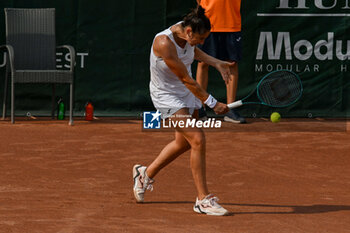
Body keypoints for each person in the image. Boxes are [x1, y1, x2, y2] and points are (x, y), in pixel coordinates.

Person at [133, 6, 236, 216]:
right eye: (200, 37)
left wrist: (216, 63)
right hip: (166, 96)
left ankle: (145, 173)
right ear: (189, 32)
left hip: (186, 94)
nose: (203, 42)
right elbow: (186, 79)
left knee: (183, 143)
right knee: (198, 139)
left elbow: (193, 51)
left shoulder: (187, 38)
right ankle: (202, 200)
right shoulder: (163, 43)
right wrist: (213, 102)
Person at [196, 0, 246, 123]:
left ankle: (230, 109)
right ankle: (200, 108)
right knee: (202, 63)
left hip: (231, 21)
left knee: (232, 64)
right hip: (207, 20)